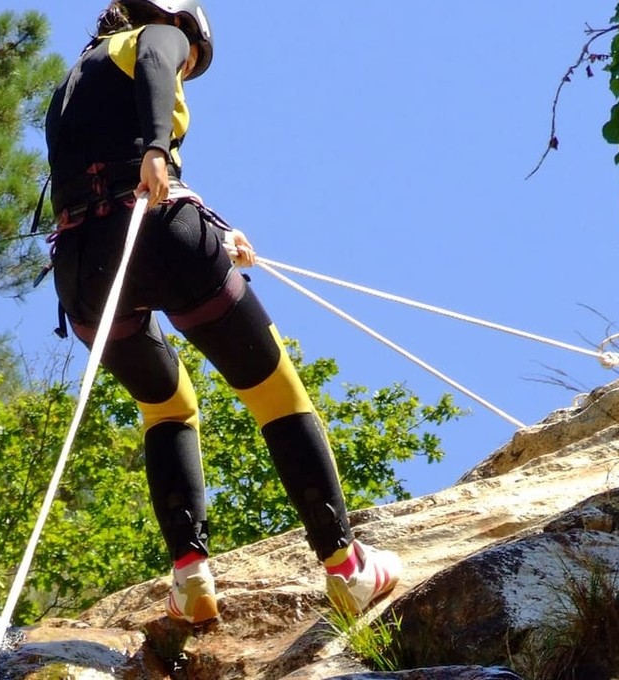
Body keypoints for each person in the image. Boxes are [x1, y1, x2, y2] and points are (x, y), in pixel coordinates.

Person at [42, 0, 401, 625]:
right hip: (156, 230)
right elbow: (156, 62)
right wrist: (158, 147)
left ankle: (191, 578)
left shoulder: (70, 87)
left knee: (168, 405)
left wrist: (218, 229)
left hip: (82, 275)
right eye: (193, 62)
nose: (185, 70)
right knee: (274, 389)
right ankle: (348, 569)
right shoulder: (157, 34)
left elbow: (102, 173)